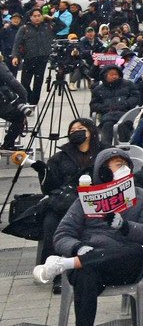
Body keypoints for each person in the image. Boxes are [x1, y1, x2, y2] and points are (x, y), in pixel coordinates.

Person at [35, 147, 143, 326]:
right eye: (118, 165)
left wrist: (124, 226)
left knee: (136, 251)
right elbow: (62, 235)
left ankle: (65, 264)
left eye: (126, 164)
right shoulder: (85, 199)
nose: (124, 168)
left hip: (124, 263)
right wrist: (78, 248)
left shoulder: (140, 196)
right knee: (85, 275)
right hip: (91, 262)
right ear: (103, 171)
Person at [35, 117, 99, 291]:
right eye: (72, 130)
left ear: (91, 131)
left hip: (96, 201)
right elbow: (50, 188)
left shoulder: (103, 152)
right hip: (67, 202)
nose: (75, 132)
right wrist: (43, 172)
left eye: (80, 128)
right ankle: (55, 271)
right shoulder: (59, 157)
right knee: (51, 221)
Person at [90, 63, 142, 147]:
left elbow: (136, 97)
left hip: (125, 113)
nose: (114, 76)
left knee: (123, 125)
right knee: (107, 125)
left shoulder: (128, 84)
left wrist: (126, 104)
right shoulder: (98, 89)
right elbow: (93, 105)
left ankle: (125, 148)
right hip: (107, 115)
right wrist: (104, 108)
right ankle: (106, 148)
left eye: (116, 74)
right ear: (105, 76)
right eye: (112, 74)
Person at [12, 7, 57, 104]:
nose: (37, 18)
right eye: (34, 16)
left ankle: (34, 102)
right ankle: (28, 98)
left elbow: (62, 26)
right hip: (29, 58)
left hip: (43, 57)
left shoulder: (47, 26)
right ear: (30, 17)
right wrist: (15, 56)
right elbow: (17, 43)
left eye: (39, 16)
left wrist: (51, 18)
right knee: (25, 82)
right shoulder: (24, 28)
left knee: (38, 81)